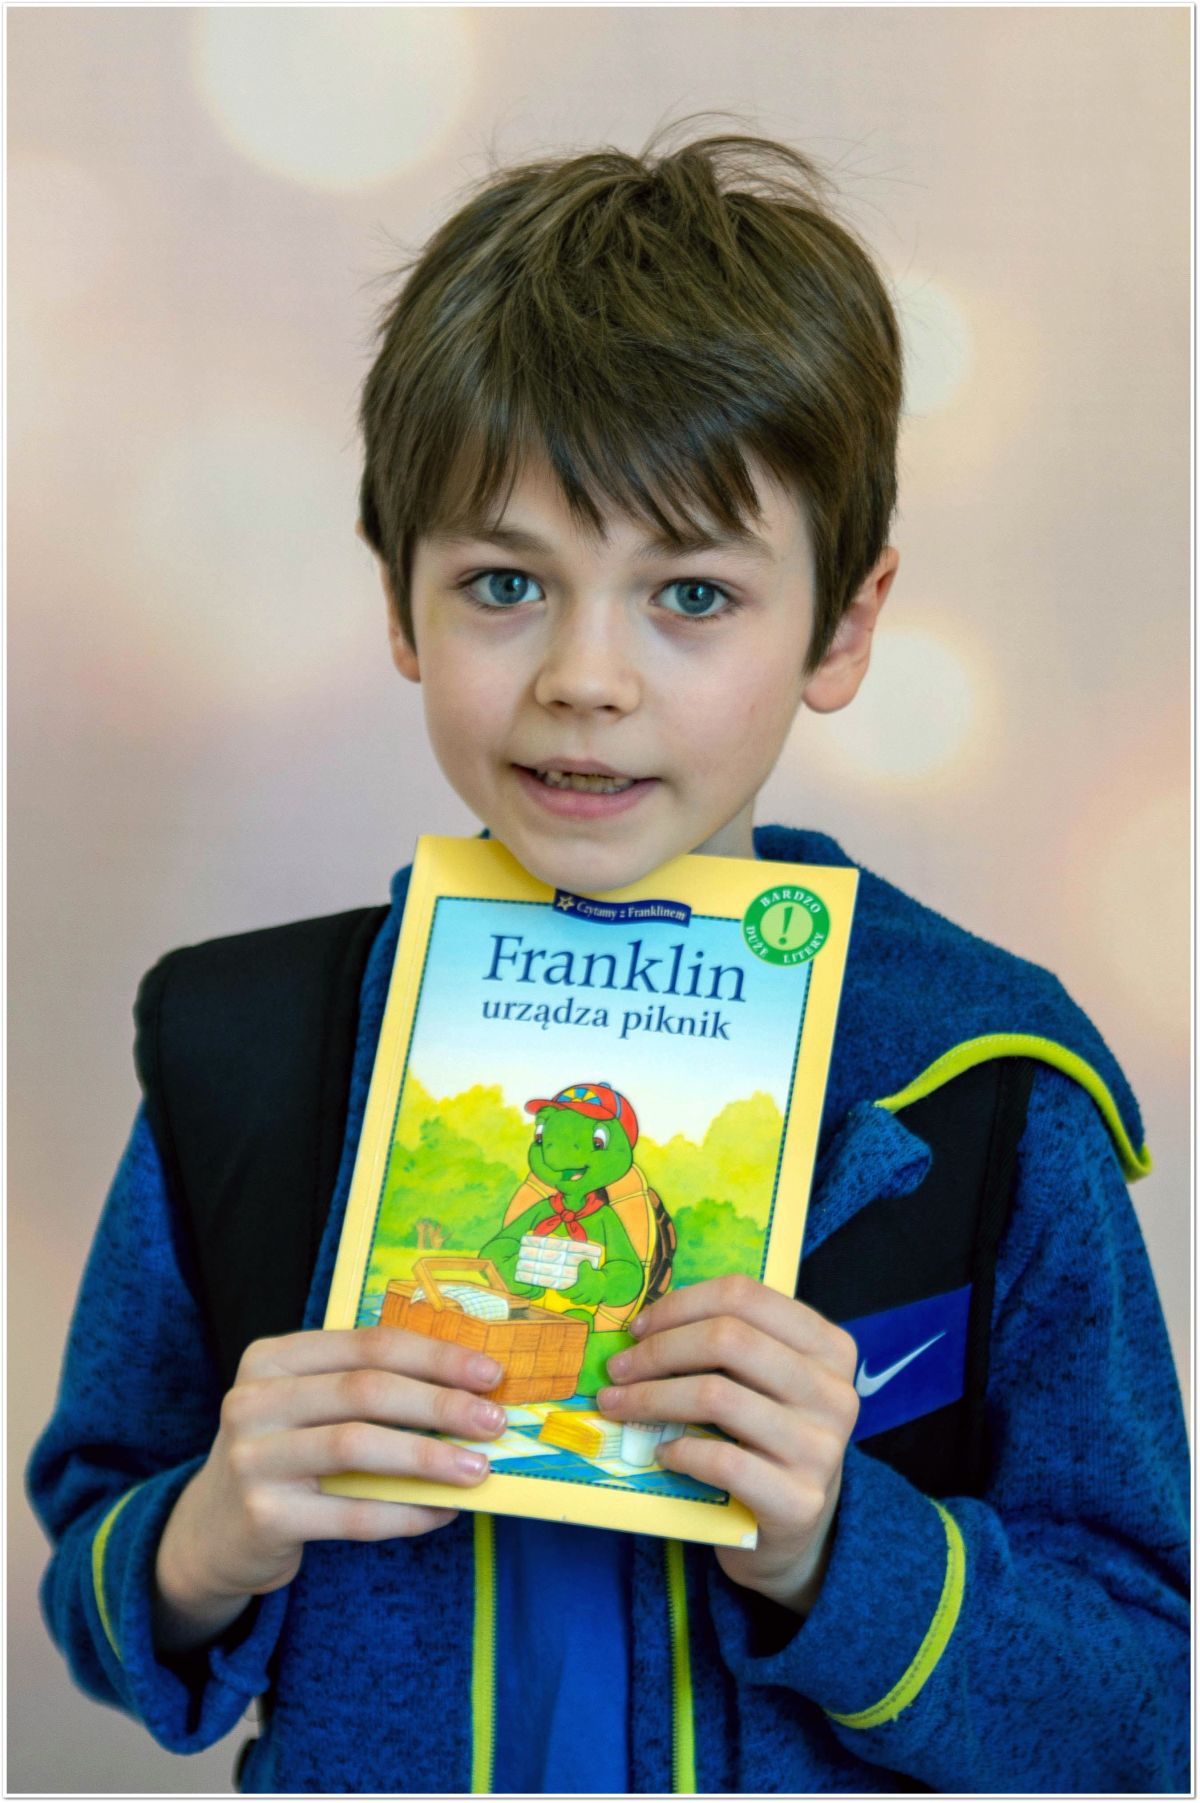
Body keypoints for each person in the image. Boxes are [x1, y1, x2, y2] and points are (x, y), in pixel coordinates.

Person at [27, 125, 1188, 1794]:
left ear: (846, 625)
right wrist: (209, 1530)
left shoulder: (990, 1084)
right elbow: (94, 1574)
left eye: (691, 596)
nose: (586, 675)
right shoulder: (246, 1055)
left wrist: (840, 1549)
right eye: (506, 581)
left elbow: (1148, 1711)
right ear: (400, 603)